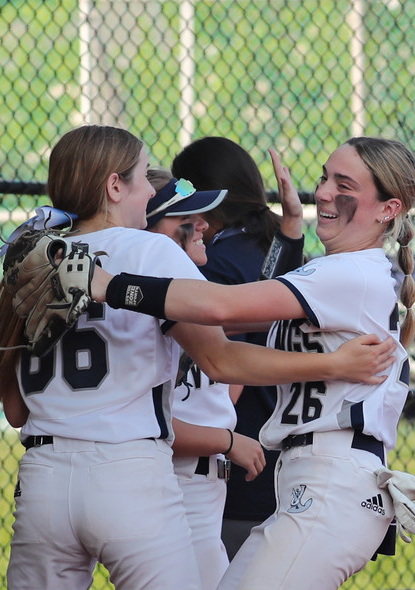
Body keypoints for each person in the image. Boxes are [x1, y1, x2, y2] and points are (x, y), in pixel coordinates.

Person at [0, 125, 397, 590]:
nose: (151, 194)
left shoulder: (32, 256)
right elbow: (220, 360)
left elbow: (15, 411)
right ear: (115, 186)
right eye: (141, 179)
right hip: (128, 470)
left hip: (42, 480)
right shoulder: (150, 248)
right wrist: (331, 365)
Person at [87, 136, 415, 590]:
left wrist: (111, 285)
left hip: (333, 483)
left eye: (344, 184)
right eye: (325, 177)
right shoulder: (340, 270)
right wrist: (289, 229)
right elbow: (231, 350)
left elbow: (222, 306)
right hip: (316, 482)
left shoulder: (352, 272)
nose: (323, 192)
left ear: (388, 209)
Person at [170, 137, 305, 558]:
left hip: (235, 459)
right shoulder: (273, 246)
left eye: (181, 194)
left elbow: (226, 372)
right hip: (281, 453)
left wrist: (224, 439)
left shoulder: (218, 260)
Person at [144, 167, 265, 589]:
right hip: (180, 481)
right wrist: (228, 441)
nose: (204, 226)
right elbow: (152, 423)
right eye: (185, 220)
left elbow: (224, 372)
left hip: (203, 480)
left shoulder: (187, 286)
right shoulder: (158, 296)